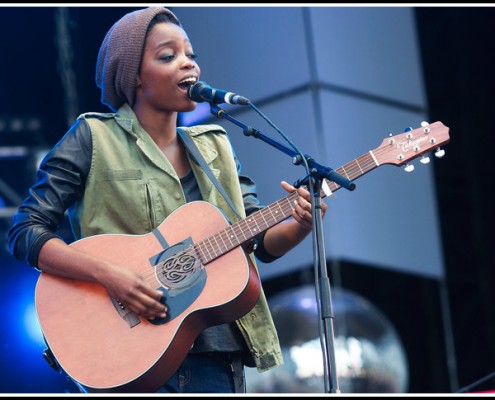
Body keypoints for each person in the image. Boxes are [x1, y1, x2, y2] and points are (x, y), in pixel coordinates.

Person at [8, 6, 327, 394]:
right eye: (167, 56)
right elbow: (25, 231)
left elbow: (257, 239)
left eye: (190, 55)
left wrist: (299, 225)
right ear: (134, 76)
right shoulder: (93, 137)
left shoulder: (217, 147)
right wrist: (112, 276)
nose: (187, 64)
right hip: (129, 355)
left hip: (217, 357)